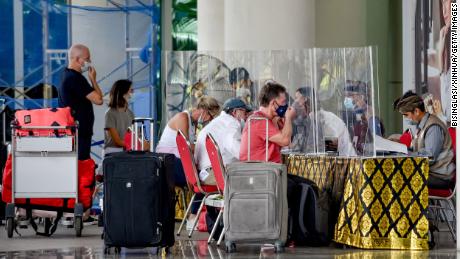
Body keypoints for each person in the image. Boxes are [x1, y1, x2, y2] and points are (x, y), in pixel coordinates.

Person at [156, 96, 220, 230]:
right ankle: (193, 217)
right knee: (203, 180)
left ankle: (204, 217)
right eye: (210, 115)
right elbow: (185, 147)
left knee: (205, 176)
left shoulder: (194, 123)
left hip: (179, 162)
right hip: (168, 163)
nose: (210, 120)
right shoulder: (183, 118)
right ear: (203, 110)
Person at [394, 91, 455, 188]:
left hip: (440, 177)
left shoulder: (433, 127)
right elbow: (418, 151)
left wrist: (407, 155)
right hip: (430, 172)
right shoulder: (422, 125)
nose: (405, 118)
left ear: (417, 111)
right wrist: (401, 151)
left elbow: (430, 157)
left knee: (399, 180)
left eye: (406, 115)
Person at [58, 44, 103, 160]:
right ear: (78, 59)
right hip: (79, 133)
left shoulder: (66, 74)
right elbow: (98, 99)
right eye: (87, 59)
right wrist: (93, 79)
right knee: (81, 165)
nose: (89, 62)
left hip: (77, 132)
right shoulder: (75, 78)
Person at [194, 98, 251, 185]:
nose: (246, 116)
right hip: (213, 174)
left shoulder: (220, 122)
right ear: (235, 112)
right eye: (244, 112)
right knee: (252, 179)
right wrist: (254, 158)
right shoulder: (232, 123)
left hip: (204, 173)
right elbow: (238, 151)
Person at [239, 81, 296, 163]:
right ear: (273, 103)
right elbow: (285, 140)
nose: (286, 105)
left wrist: (280, 121)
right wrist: (288, 117)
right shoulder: (258, 121)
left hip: (268, 170)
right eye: (283, 102)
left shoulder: (269, 119)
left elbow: (289, 143)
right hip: (262, 172)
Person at [292, 87, 357, 156]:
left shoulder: (327, 121)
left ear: (306, 100)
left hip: (346, 162)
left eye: (297, 98)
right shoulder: (311, 120)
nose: (295, 103)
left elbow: (331, 151)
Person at [103, 79, 136, 154]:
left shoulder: (130, 113)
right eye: (131, 90)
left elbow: (133, 135)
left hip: (127, 151)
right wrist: (136, 145)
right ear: (123, 92)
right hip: (113, 152)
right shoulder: (110, 113)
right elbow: (117, 141)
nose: (133, 93)